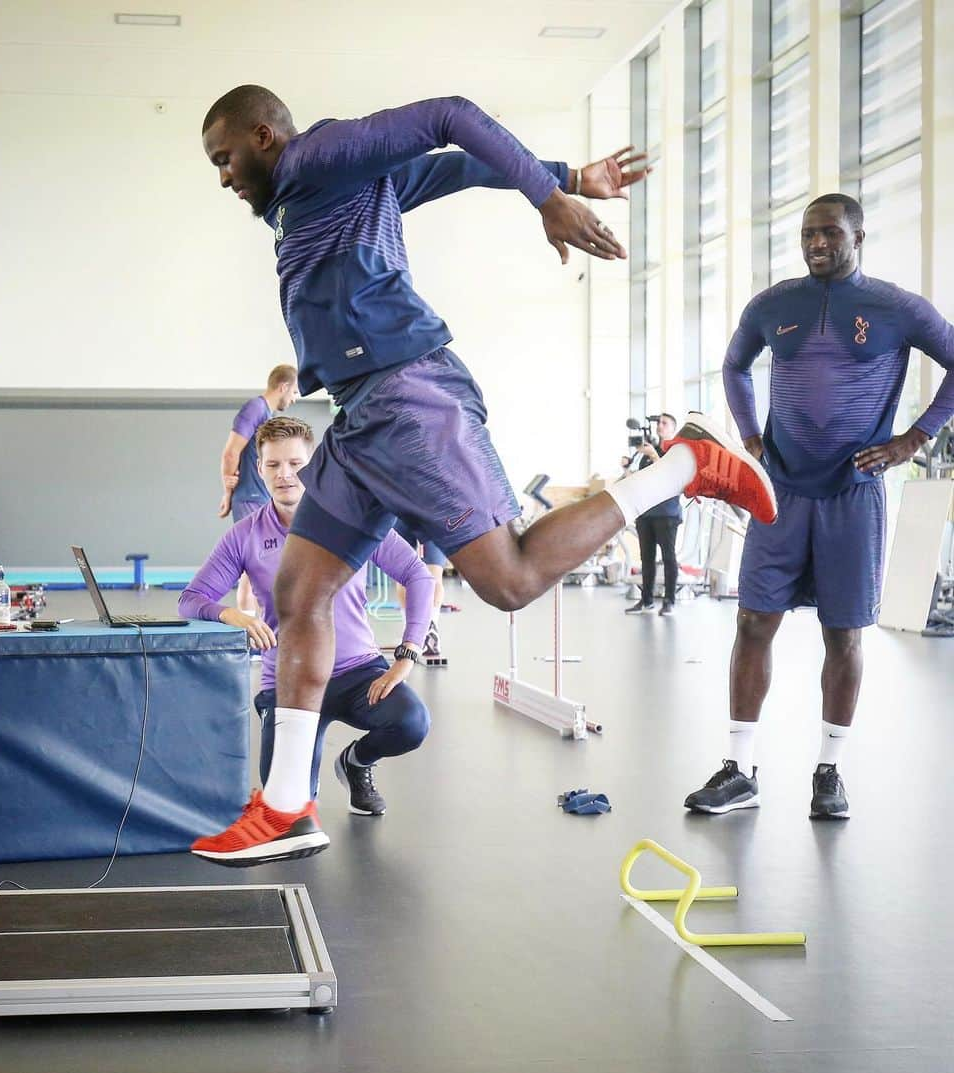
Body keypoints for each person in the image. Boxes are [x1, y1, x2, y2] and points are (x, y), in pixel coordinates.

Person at [198, 85, 779, 864]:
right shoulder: (324, 192)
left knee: (508, 580)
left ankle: (683, 464)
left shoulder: (316, 157)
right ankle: (285, 807)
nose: (225, 178)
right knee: (298, 594)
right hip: (360, 411)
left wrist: (550, 197)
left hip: (409, 395)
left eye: (226, 160)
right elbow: (463, 168)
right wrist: (569, 173)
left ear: (265, 137)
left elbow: (449, 114)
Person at [684, 193, 954, 820]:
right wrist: (751, 437)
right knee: (753, 622)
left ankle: (829, 772)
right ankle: (739, 768)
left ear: (859, 237)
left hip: (853, 494)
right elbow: (734, 366)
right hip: (781, 492)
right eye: (808, 233)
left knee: (843, 634)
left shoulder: (896, 308)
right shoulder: (774, 305)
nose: (816, 244)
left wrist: (913, 439)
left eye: (830, 232)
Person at [181, 416, 434, 862]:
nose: (284, 474)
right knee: (290, 814)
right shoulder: (245, 535)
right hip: (289, 683)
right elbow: (192, 599)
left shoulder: (350, 521)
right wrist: (233, 615)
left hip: (358, 673)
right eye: (273, 464)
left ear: (313, 465)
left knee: (412, 723)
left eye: (295, 463)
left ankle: (357, 763)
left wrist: (407, 652)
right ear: (258, 469)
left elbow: (417, 574)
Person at [218, 363, 298, 612]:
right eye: (294, 392)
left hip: (261, 497)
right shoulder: (255, 408)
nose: (294, 398)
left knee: (262, 566)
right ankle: (250, 635)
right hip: (250, 497)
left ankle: (257, 629)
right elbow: (231, 453)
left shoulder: (268, 415)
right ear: (283, 386)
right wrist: (227, 489)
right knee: (253, 567)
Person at [623, 413, 682, 616]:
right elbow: (641, 479)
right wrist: (626, 469)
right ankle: (646, 600)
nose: (660, 426)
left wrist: (653, 456)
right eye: (659, 423)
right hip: (646, 512)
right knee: (646, 558)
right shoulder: (651, 450)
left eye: (664, 423)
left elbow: (668, 475)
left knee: (668, 558)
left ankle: (669, 601)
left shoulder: (676, 450)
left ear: (673, 428)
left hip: (667, 512)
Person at [393, 521, 447, 656]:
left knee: (404, 575)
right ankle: (430, 627)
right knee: (434, 574)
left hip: (399, 508)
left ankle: (411, 635)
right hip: (430, 510)